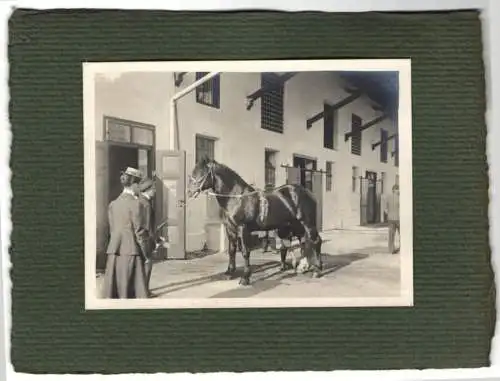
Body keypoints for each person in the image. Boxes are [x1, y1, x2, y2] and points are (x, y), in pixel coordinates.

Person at [102, 167, 150, 299]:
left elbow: (112, 229)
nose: (140, 189)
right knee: (134, 295)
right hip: (131, 252)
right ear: (134, 184)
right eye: (139, 185)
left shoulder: (113, 204)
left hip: (114, 251)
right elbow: (139, 232)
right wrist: (146, 254)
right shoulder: (136, 204)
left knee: (115, 292)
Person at [133, 177, 156, 294]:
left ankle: (139, 290)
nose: (155, 191)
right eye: (153, 188)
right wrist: (155, 242)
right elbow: (147, 226)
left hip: (137, 238)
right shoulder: (146, 204)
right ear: (147, 190)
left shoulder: (138, 200)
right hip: (144, 239)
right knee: (148, 263)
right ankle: (145, 291)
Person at [385, 184, 400, 254]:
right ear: (396, 190)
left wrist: (388, 213)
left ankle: (391, 250)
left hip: (390, 218)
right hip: (398, 218)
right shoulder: (400, 197)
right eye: (397, 189)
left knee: (391, 235)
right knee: (401, 234)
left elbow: (385, 209)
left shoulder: (388, 197)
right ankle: (403, 248)